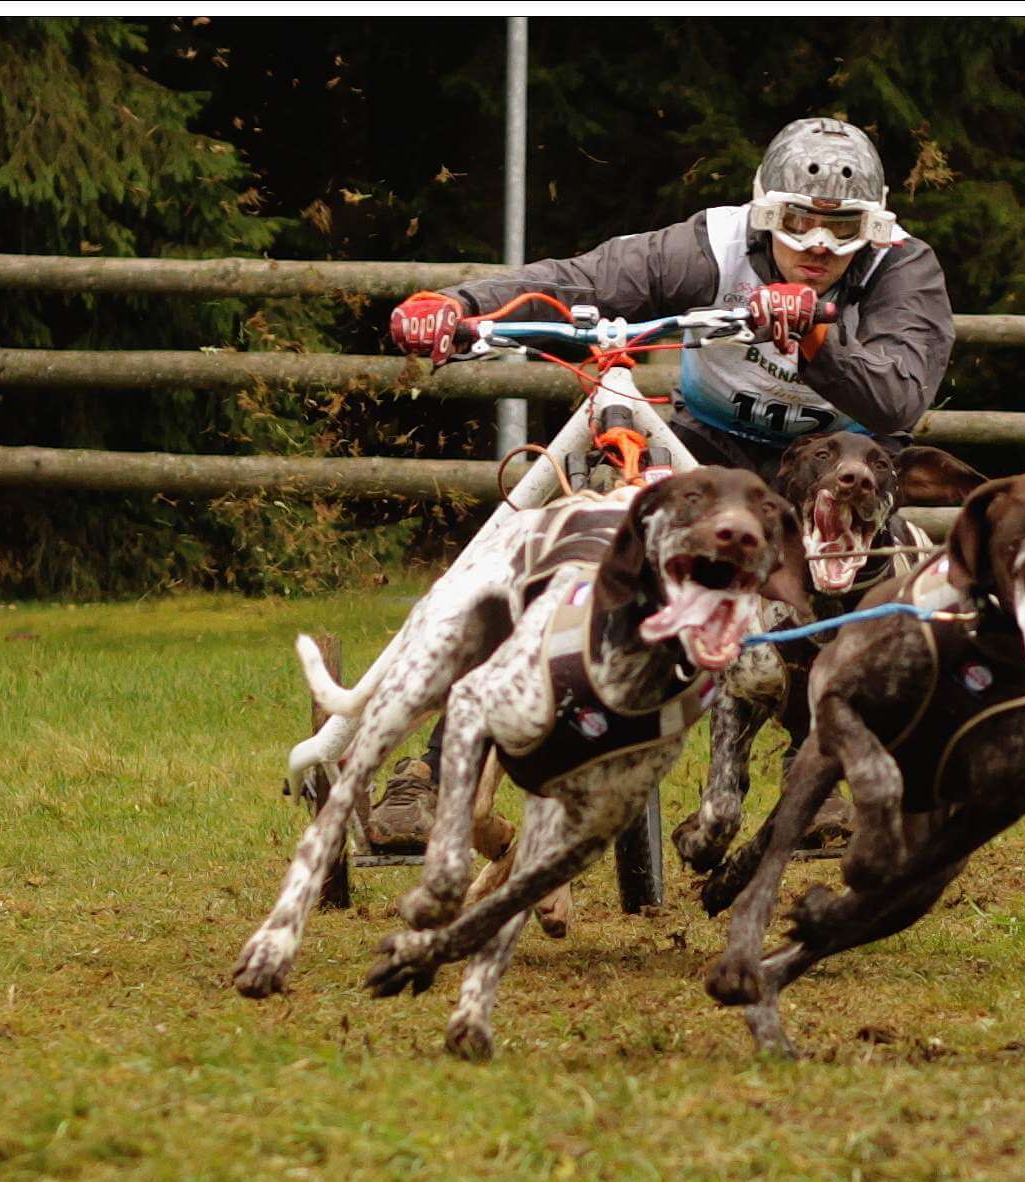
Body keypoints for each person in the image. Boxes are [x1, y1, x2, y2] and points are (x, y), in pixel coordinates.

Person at [366, 117, 957, 849]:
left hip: (834, 468)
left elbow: (899, 395)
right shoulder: (709, 245)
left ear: (872, 227)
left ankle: (818, 766)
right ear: (762, 212)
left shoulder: (903, 269)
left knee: (851, 586)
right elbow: (586, 280)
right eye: (796, 222)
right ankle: (429, 773)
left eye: (841, 230)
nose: (817, 246)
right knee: (568, 557)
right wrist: (461, 304)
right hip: (707, 449)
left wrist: (814, 338)